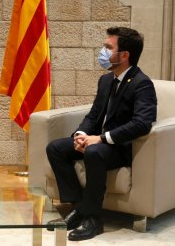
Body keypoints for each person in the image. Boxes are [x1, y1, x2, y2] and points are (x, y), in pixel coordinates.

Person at [46, 27, 157, 241]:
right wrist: (80, 134)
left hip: (121, 147)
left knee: (94, 152)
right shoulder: (106, 80)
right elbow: (95, 114)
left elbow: (142, 123)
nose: (102, 51)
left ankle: (94, 220)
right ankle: (79, 209)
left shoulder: (142, 84)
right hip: (98, 142)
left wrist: (102, 138)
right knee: (56, 148)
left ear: (124, 55)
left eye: (108, 47)